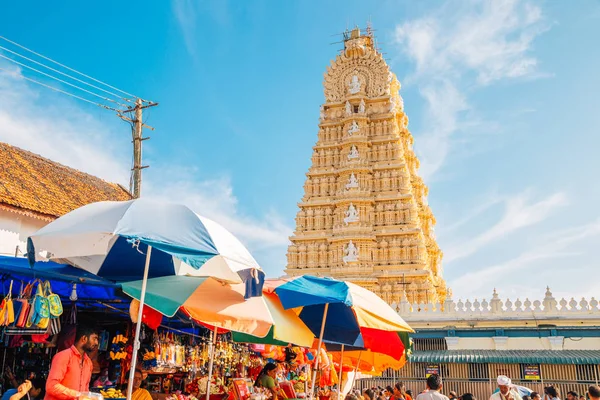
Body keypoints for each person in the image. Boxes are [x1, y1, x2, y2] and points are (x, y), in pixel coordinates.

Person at [45, 325, 99, 400]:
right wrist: (77, 395)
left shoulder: (88, 363)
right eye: (94, 338)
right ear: (84, 339)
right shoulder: (63, 356)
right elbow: (51, 386)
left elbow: (85, 390)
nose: (96, 343)